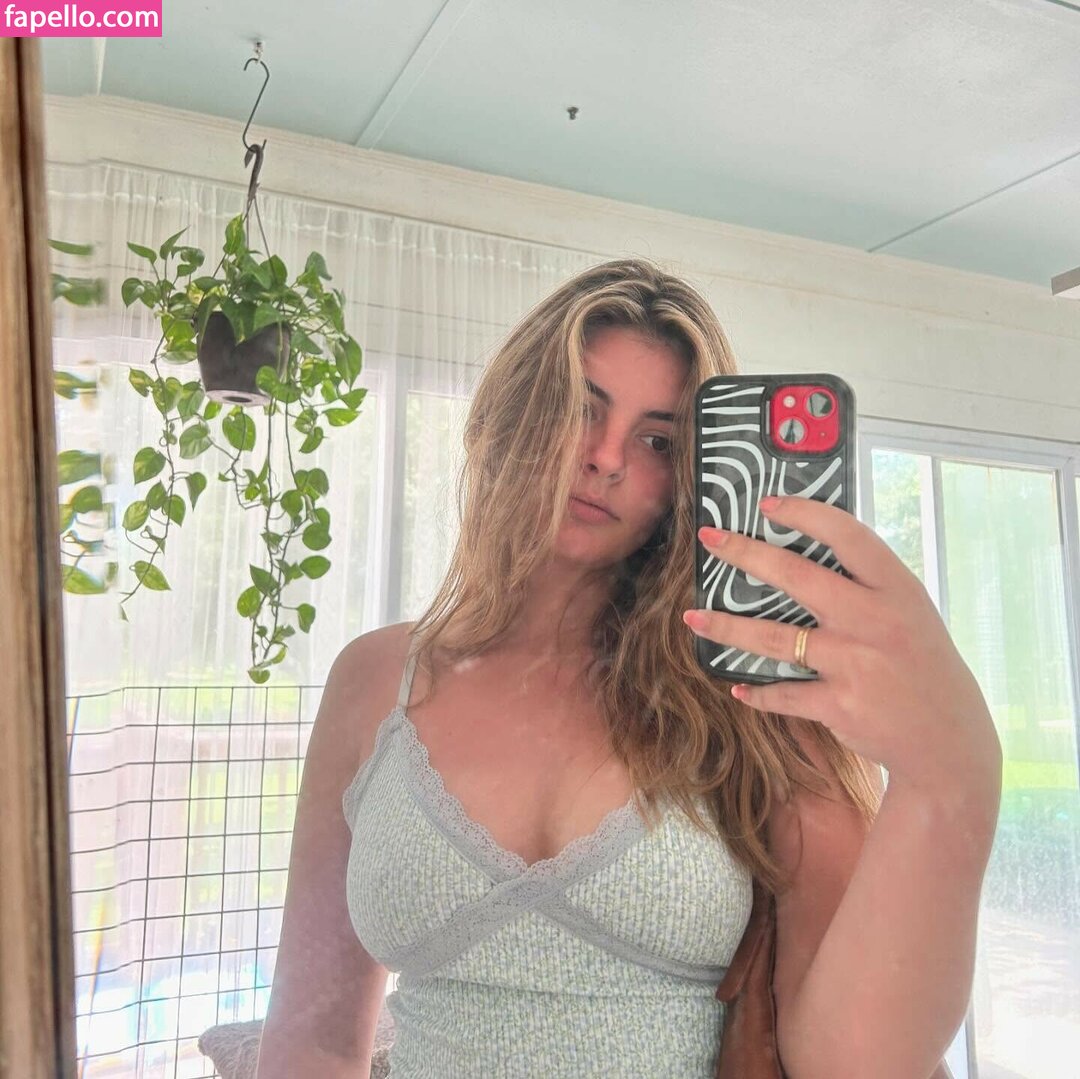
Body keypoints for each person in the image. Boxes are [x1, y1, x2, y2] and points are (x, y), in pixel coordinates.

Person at [255, 259, 1002, 1078]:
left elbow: (853, 1062)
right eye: (582, 408)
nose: (606, 457)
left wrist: (951, 775)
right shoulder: (374, 681)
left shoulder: (752, 696)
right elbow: (313, 1039)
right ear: (513, 414)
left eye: (656, 440)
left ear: (689, 480)